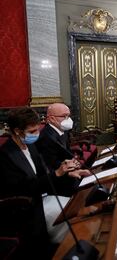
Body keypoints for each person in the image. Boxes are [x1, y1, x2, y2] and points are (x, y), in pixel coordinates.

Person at [0, 107, 90, 259]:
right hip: (25, 207)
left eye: (37, 130)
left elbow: (44, 175)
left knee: (78, 209)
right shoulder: (6, 155)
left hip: (43, 196)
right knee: (72, 220)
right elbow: (25, 188)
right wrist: (58, 173)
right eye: (32, 131)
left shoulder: (30, 146)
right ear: (17, 131)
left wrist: (69, 174)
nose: (37, 134)